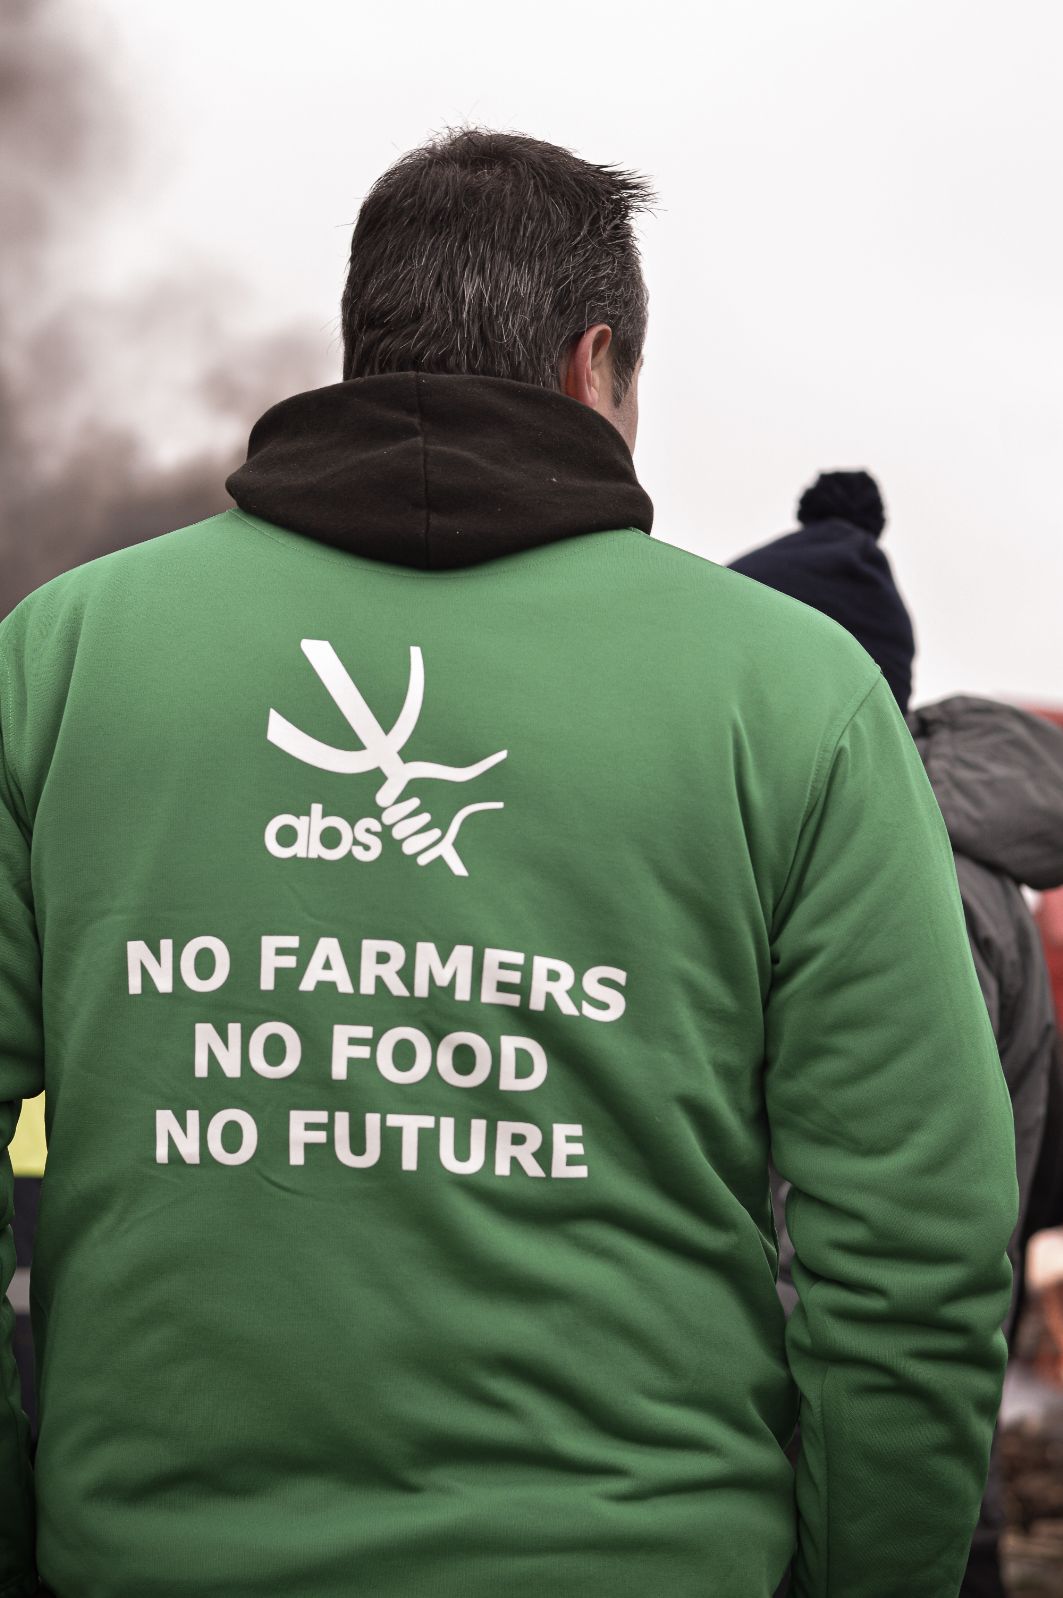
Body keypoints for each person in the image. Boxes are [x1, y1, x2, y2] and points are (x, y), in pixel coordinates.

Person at [0, 131, 1017, 1598]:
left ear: (363, 346)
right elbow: (913, 1243)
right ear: (593, 364)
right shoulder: (793, 696)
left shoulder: (60, 658)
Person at [733, 470, 1063, 1597]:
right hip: (887, 1454)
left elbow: (882, 1228)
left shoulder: (912, 884)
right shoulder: (936, 861)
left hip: (855, 1478)